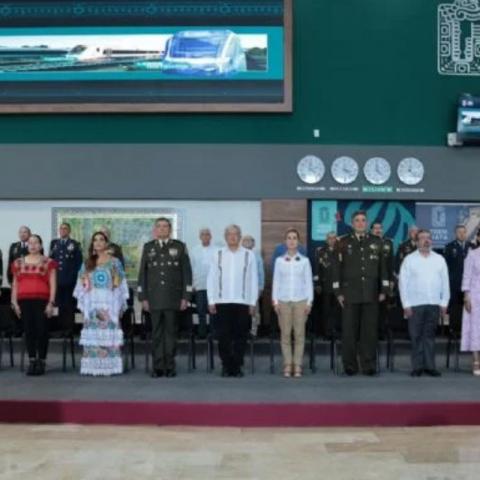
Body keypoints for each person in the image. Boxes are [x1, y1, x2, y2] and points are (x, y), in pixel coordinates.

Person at [332, 210, 389, 376]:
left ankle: (368, 364)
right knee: (349, 332)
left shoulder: (376, 241)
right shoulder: (342, 242)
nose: (360, 223)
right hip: (350, 294)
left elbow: (383, 268)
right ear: (352, 223)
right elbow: (336, 269)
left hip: (371, 293)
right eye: (357, 220)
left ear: (367, 223)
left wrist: (384, 289)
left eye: (363, 220)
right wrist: (337, 291)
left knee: (369, 331)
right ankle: (349, 364)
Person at [137, 217, 192, 378]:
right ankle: (158, 366)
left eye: (165, 226)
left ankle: (169, 366)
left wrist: (186, 297)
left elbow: (186, 273)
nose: (162, 229)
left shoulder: (179, 247)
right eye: (159, 226)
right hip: (153, 299)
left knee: (171, 333)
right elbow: (143, 274)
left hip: (173, 298)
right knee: (156, 334)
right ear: (155, 230)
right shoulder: (148, 247)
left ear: (170, 229)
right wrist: (143, 297)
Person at [74, 231, 128, 376]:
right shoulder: (87, 262)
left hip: (109, 303)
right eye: (95, 240)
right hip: (92, 303)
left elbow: (121, 283)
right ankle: (93, 365)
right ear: (92, 243)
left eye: (101, 240)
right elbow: (81, 282)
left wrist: (118, 300)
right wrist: (85, 289)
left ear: (106, 243)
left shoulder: (115, 261)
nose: (98, 242)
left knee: (108, 333)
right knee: (93, 334)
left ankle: (110, 366)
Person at [207, 224, 258, 378]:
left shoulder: (249, 255)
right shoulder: (218, 254)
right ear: (225, 237)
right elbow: (212, 278)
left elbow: (253, 280)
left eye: (235, 234)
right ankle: (226, 365)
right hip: (222, 302)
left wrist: (253, 302)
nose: (232, 237)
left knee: (240, 336)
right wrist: (211, 300)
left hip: (242, 302)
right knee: (223, 336)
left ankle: (236, 366)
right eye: (229, 234)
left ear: (240, 236)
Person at [399, 229, 450, 377]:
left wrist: (444, 302)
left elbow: (445, 283)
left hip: (434, 303)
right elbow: (403, 283)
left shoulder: (439, 259)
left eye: (428, 238)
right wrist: (405, 304)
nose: (426, 241)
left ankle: (430, 366)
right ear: (416, 242)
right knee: (416, 336)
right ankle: (417, 367)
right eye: (422, 238)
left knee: (429, 336)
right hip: (415, 304)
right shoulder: (409, 259)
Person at [11, 234, 57, 376]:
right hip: (24, 301)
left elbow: (53, 284)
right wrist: (14, 303)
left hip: (42, 301)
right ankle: (32, 361)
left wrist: (51, 303)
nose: (33, 245)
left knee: (42, 331)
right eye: (30, 243)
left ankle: (41, 361)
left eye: (36, 242)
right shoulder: (18, 262)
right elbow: (15, 284)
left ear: (41, 246)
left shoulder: (49, 262)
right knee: (29, 331)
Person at [272, 228, 313, 378]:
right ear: (285, 241)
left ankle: (298, 365)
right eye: (289, 238)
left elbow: (308, 282)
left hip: (301, 301)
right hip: (283, 301)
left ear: (298, 241)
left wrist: (310, 302)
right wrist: (275, 301)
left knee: (300, 335)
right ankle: (288, 364)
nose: (291, 240)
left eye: (294, 238)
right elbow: (276, 281)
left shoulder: (304, 261)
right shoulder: (279, 261)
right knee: (285, 334)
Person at [49, 222, 83, 333]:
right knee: (59, 305)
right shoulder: (54, 243)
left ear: (69, 231)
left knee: (69, 306)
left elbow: (79, 263)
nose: (63, 230)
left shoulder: (75, 244)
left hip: (70, 281)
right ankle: (61, 329)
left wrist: (74, 276)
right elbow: (51, 260)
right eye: (61, 228)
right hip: (57, 280)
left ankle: (69, 328)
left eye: (65, 229)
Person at [444, 225, 471, 343]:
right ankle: (453, 330)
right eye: (459, 232)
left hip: (469, 285)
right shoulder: (449, 247)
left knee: (467, 308)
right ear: (455, 233)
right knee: (454, 308)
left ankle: (467, 331)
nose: (462, 234)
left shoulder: (472, 247)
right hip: (454, 283)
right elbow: (445, 267)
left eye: (463, 232)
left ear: (466, 233)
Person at [190, 228, 216, 338]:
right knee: (201, 311)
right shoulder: (194, 250)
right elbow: (191, 268)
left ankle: (214, 333)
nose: (205, 236)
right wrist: (192, 284)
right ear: (200, 237)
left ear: (211, 236)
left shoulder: (217, 250)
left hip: (214, 287)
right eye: (203, 234)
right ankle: (202, 334)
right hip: (199, 286)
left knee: (213, 311)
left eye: (207, 234)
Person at [314, 231, 339, 337]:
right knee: (326, 310)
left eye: (334, 238)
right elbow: (317, 269)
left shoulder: (340, 252)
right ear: (326, 240)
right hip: (326, 285)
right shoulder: (321, 251)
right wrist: (318, 284)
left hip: (338, 287)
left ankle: (334, 330)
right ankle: (326, 332)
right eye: (330, 238)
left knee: (336, 310)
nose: (332, 240)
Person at [461, 246, 480, 375]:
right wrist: (466, 296)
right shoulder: (472, 254)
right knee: (475, 328)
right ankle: (476, 361)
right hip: (475, 296)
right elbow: (466, 276)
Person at [241, 234, 265, 336]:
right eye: (245, 240)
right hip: (241, 290)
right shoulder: (239, 255)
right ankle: (243, 330)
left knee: (254, 311)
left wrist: (261, 287)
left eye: (249, 240)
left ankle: (253, 331)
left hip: (254, 289)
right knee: (242, 311)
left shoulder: (257, 256)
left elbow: (261, 273)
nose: (247, 242)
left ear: (253, 243)